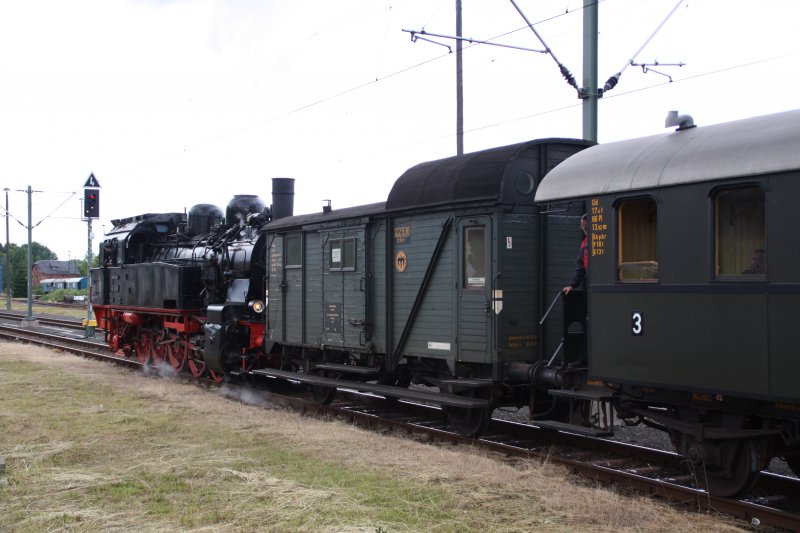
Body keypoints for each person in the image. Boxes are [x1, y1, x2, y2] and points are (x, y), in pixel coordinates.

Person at [563, 214, 588, 294]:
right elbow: (580, 266)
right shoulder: (584, 243)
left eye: (585, 227)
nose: (583, 229)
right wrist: (572, 285)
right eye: (582, 227)